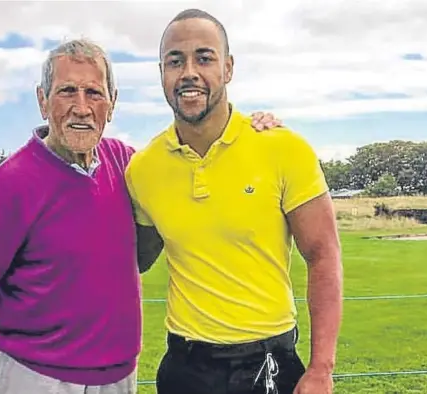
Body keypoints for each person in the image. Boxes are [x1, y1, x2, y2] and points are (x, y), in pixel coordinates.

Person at [0, 39, 281, 394]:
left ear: (112, 104)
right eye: (66, 91)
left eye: (94, 93)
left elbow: (193, 166)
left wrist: (251, 132)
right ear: (42, 100)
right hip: (37, 377)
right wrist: (13, 315)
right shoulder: (9, 185)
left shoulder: (126, 163)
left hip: (119, 375)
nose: (81, 107)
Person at [125, 9, 343, 394]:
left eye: (204, 58)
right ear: (161, 73)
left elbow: (323, 255)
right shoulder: (142, 169)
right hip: (185, 368)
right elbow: (136, 259)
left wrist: (322, 368)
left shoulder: (283, 148)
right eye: (175, 61)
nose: (189, 71)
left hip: (268, 364)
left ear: (228, 68)